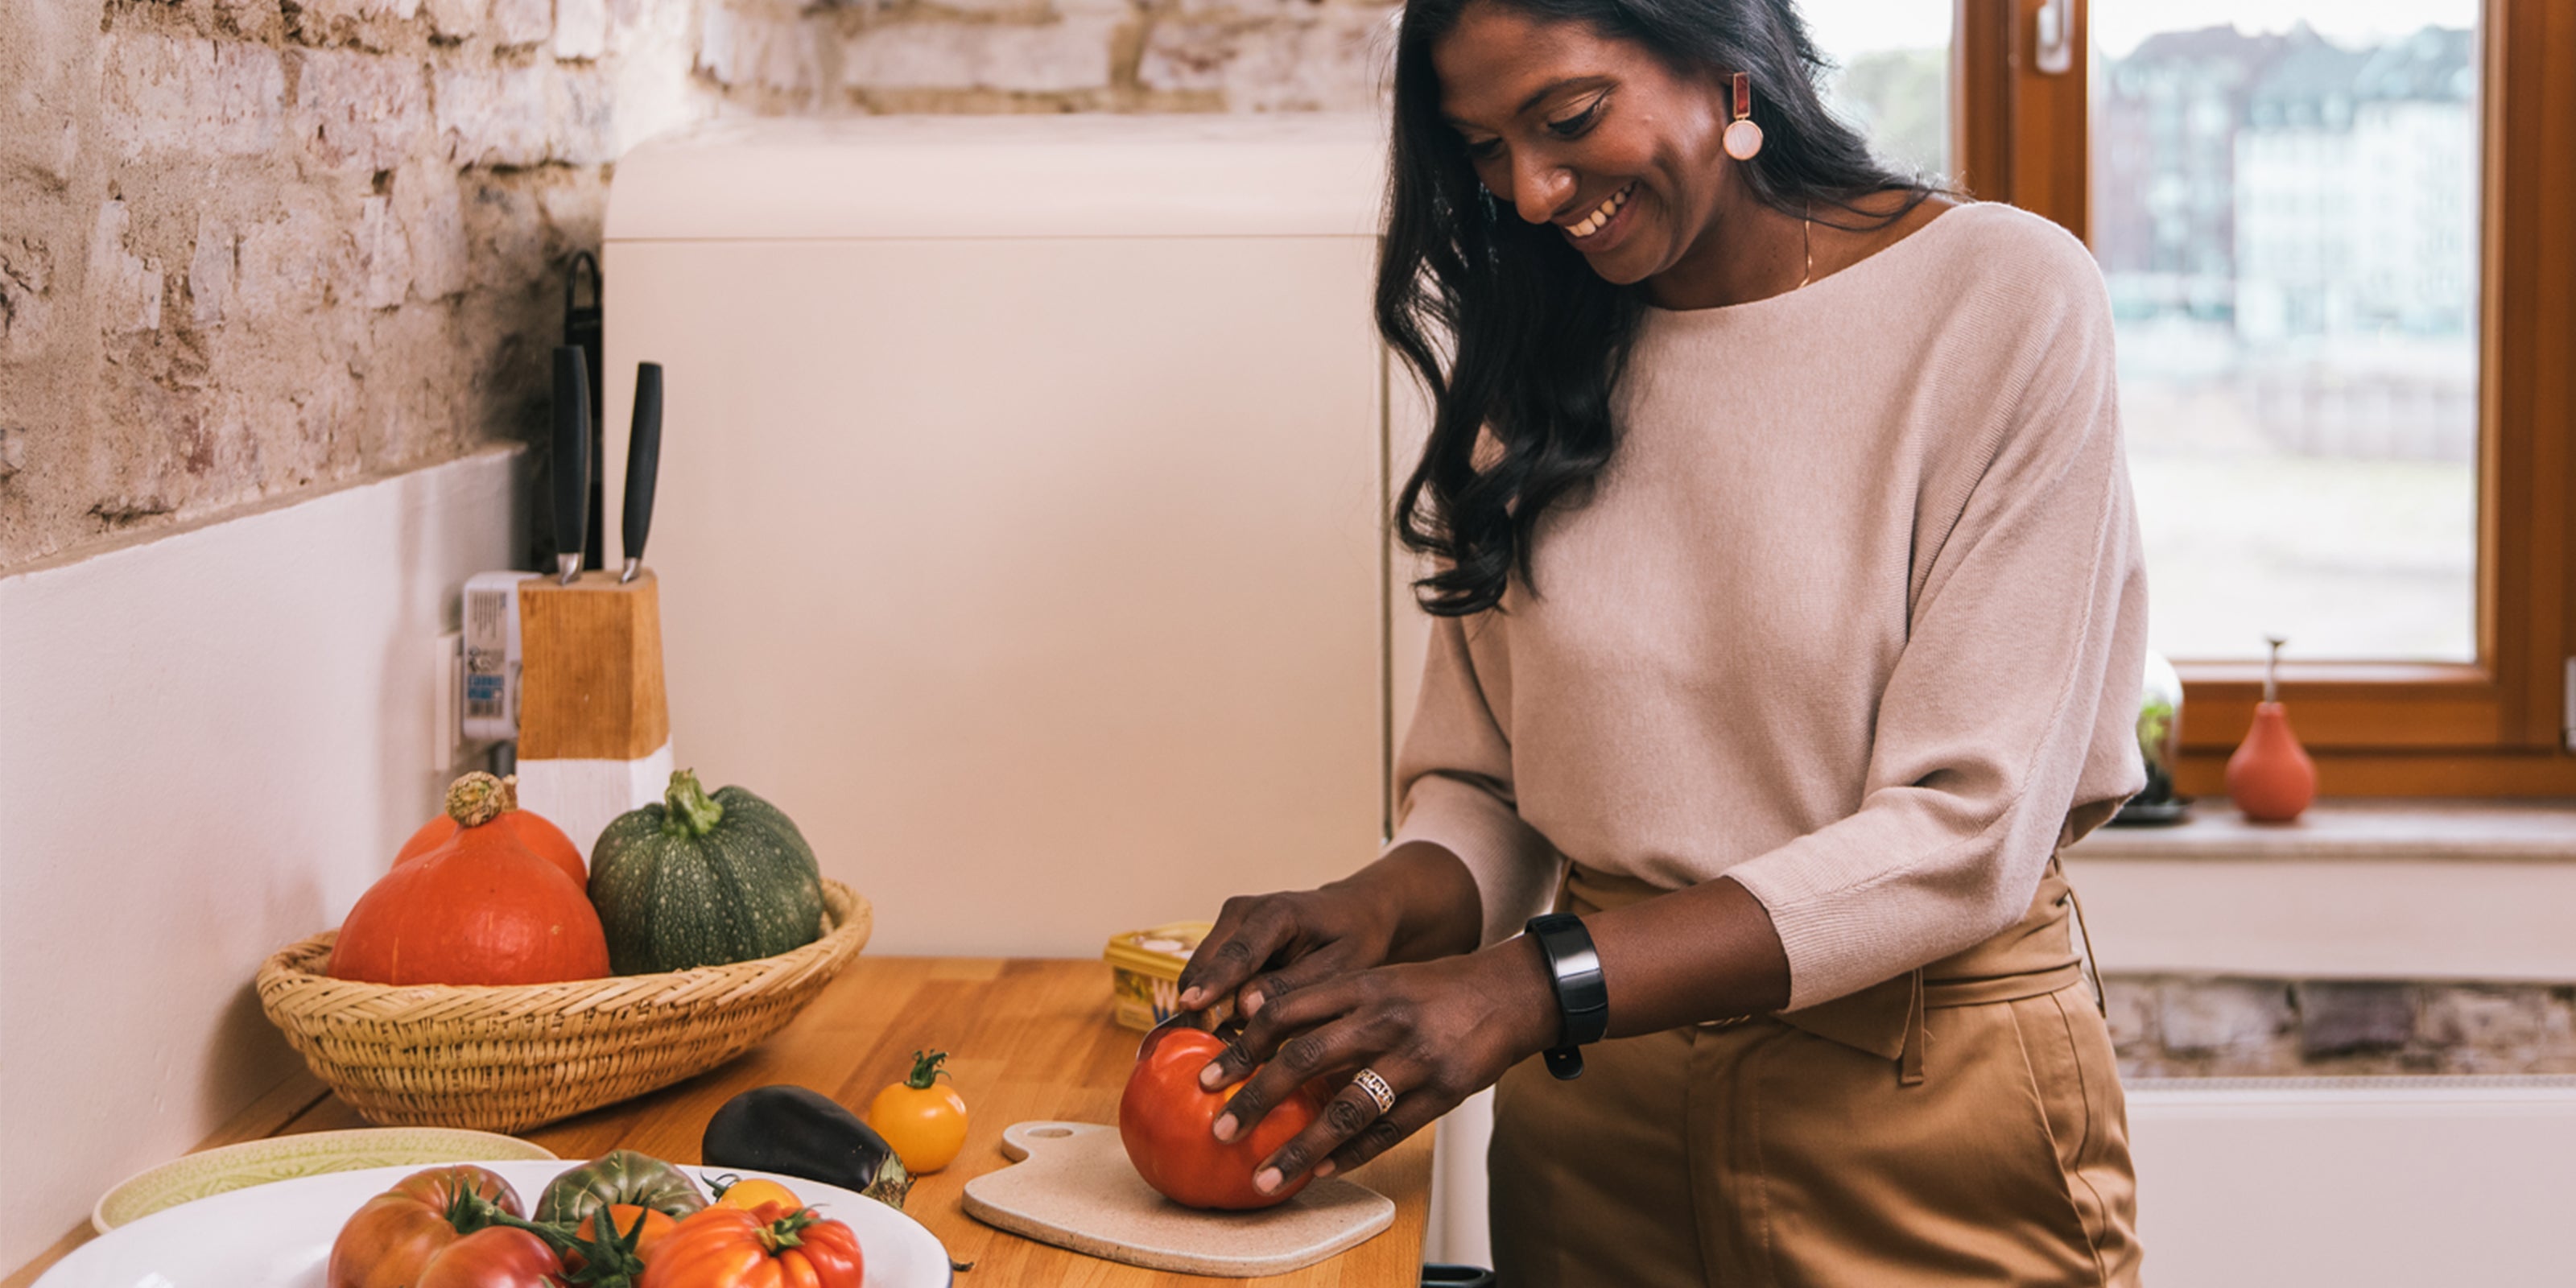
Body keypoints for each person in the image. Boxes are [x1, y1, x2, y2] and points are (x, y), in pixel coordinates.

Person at [1170, 0, 2149, 1282]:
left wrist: (1523, 986)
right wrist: (1374, 907)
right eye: (1481, 150)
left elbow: (1968, 830)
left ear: (1724, 58)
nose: (1528, 191)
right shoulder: (1542, 344)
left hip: (1922, 1092)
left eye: (1568, 119)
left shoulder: (2001, 295)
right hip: (1593, 1116)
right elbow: (1489, 781)